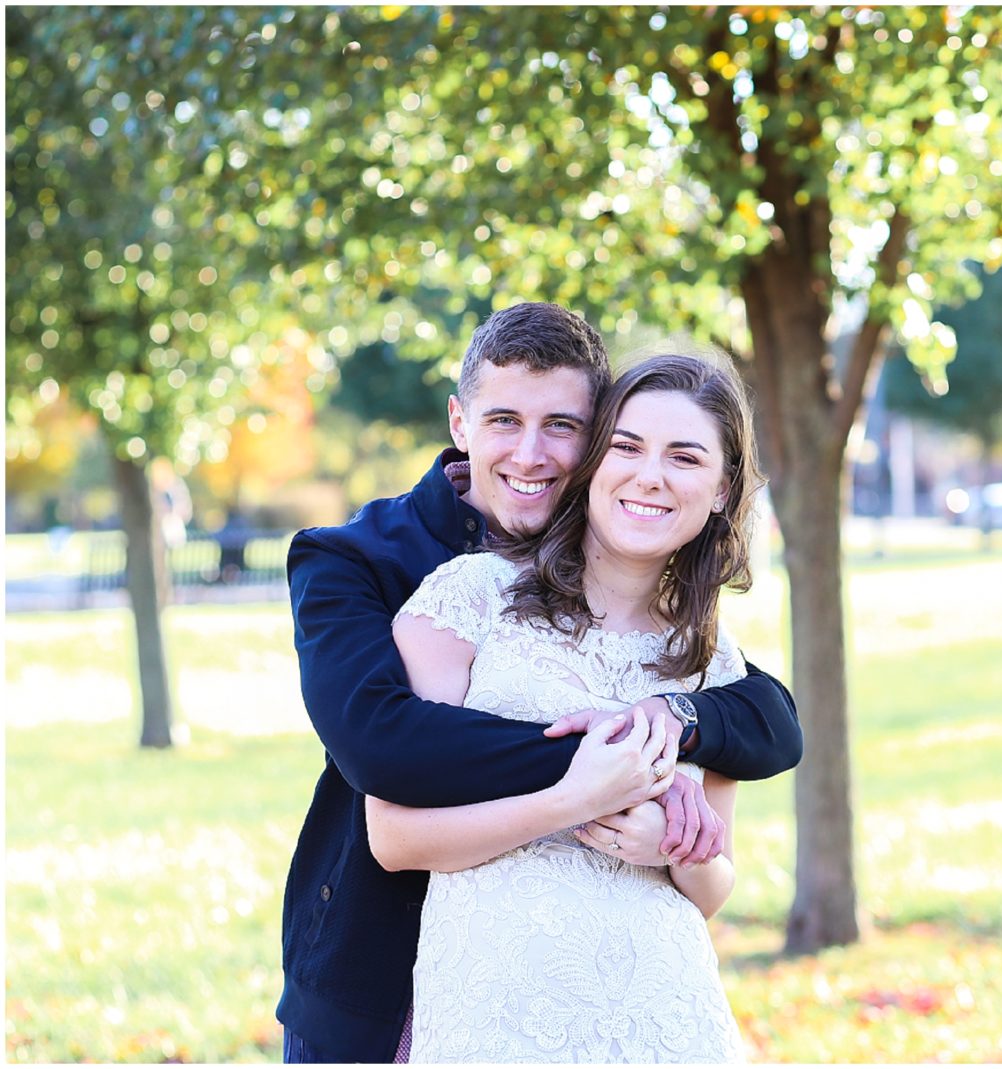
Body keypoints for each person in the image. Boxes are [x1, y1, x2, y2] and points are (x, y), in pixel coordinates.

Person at [279, 304, 802, 1063]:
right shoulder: (366, 563)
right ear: (460, 422)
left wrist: (674, 751)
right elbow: (380, 745)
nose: (531, 453)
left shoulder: (693, 642)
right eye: (503, 421)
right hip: (388, 961)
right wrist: (612, 767)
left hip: (644, 999)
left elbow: (764, 722)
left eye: (561, 425)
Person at [369, 352, 760, 1061]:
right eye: (628, 445)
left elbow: (713, 882)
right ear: (592, 462)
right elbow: (394, 837)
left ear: (722, 489)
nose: (650, 475)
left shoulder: (715, 661)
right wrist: (571, 799)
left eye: (684, 456)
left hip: (666, 1019)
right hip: (497, 1020)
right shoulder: (470, 600)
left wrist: (665, 847)